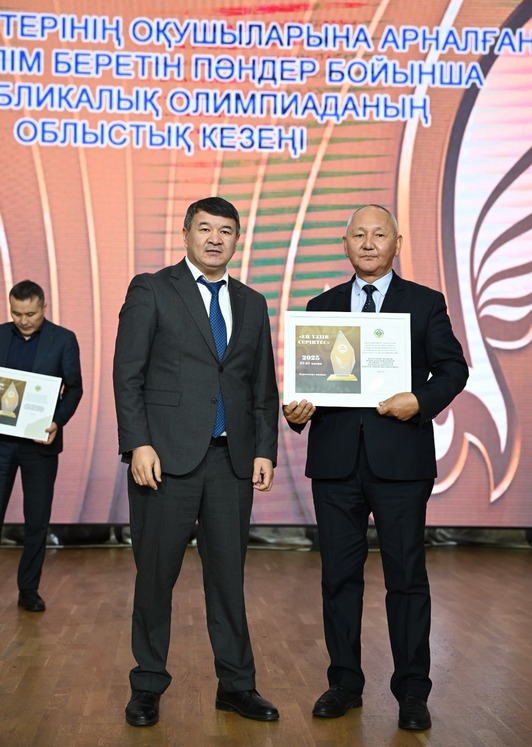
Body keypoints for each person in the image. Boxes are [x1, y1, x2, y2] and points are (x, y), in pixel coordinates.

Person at [283, 205, 468, 731]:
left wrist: (420, 400)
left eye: (379, 234)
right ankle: (344, 682)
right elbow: (306, 386)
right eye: (358, 235)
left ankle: (412, 691)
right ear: (345, 244)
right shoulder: (320, 308)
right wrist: (295, 412)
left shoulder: (425, 303)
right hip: (335, 465)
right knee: (338, 578)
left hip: (402, 463)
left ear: (397, 243)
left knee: (406, 579)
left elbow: (453, 369)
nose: (368, 243)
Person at [113, 196, 280, 728]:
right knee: (155, 577)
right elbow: (127, 374)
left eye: (225, 231)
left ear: (237, 240)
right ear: (185, 233)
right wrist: (138, 443)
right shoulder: (152, 289)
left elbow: (262, 385)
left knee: (229, 580)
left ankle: (236, 686)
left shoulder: (252, 302)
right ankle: (147, 685)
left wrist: (264, 448)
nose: (214, 239)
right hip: (164, 461)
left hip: (231, 463)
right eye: (205, 228)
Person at [0, 280, 82, 612]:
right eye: (16, 313)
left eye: (30, 314)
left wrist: (57, 421)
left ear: (44, 307)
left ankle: (28, 589)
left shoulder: (63, 339)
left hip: (40, 444)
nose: (23, 320)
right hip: (1, 443)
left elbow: (74, 389)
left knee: (37, 520)